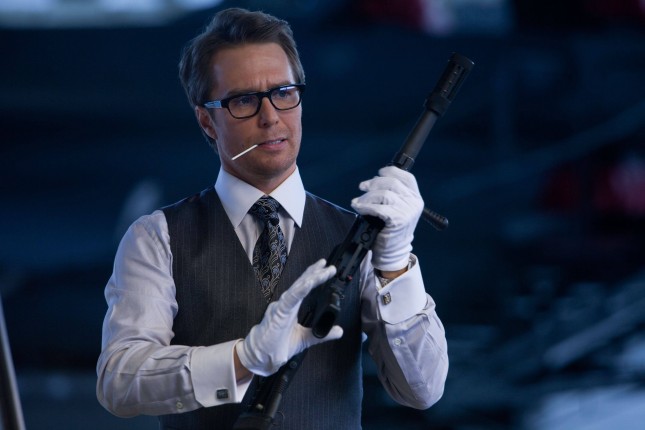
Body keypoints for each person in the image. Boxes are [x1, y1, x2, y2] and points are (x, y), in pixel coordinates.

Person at [96, 7, 448, 430]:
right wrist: (243, 359)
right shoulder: (158, 238)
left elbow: (422, 390)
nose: (270, 117)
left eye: (283, 92)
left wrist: (396, 265)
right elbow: (119, 381)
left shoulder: (360, 237)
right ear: (207, 120)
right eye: (244, 100)